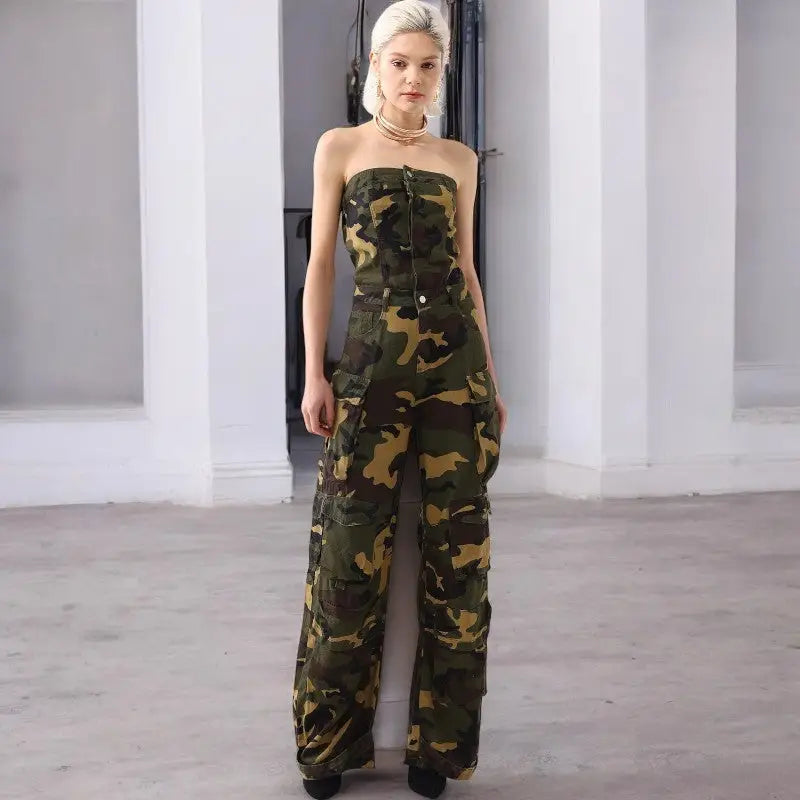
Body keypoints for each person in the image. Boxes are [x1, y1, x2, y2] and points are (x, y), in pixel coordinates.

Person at [292, 2, 505, 797]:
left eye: (428, 65)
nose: (414, 78)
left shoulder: (459, 159)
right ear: (377, 66)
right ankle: (327, 745)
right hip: (372, 369)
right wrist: (315, 373)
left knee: (461, 559)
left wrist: (491, 379)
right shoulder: (341, 147)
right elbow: (321, 266)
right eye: (400, 63)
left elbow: (468, 274)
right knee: (349, 553)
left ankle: (438, 749)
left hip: (457, 374)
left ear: (441, 73)